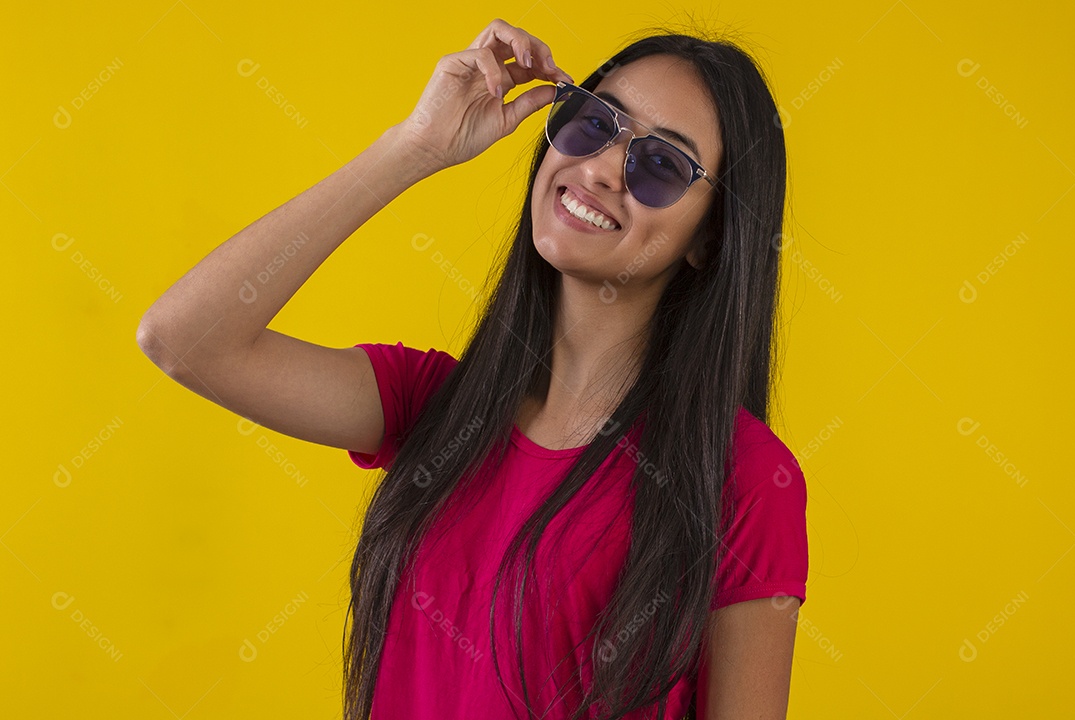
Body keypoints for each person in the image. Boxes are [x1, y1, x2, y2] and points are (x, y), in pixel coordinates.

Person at [137, 17, 807, 720]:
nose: (605, 167)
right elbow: (184, 339)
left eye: (662, 165)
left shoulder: (741, 476)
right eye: (596, 122)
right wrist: (414, 147)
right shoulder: (437, 409)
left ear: (709, 238)